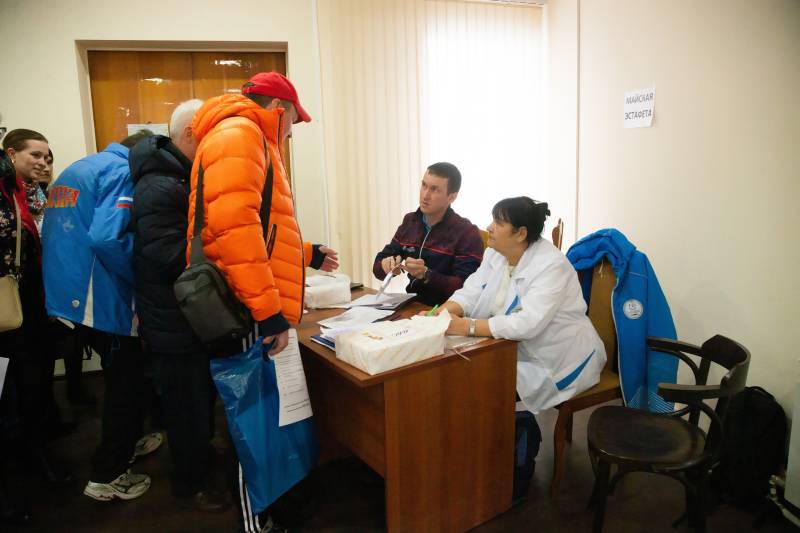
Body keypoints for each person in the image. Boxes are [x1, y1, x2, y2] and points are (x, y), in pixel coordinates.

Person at [188, 71, 338, 532]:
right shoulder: (242, 135)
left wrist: (307, 253)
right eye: (294, 121)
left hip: (247, 300)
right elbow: (234, 232)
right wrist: (269, 313)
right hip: (243, 307)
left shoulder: (242, 136)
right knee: (249, 422)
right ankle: (257, 519)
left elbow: (260, 229)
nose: (292, 131)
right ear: (279, 109)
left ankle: (278, 504)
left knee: (265, 417)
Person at [41, 130, 162, 502]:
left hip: (65, 290)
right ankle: (107, 474)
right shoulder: (122, 171)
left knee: (122, 377)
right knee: (125, 383)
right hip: (97, 294)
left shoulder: (81, 168)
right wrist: (143, 276)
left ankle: (129, 440)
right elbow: (108, 238)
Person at [429, 196, 606, 439]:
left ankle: (506, 445)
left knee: (478, 383)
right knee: (454, 372)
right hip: (508, 346)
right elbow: (472, 290)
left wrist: (466, 326)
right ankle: (474, 446)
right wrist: (443, 312)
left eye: (498, 223)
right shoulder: (496, 254)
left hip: (556, 358)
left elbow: (527, 324)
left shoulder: (551, 266)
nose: (489, 227)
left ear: (521, 233)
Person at [130, 99, 227, 512]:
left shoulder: (179, 177)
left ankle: (200, 460)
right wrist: (225, 255)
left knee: (197, 402)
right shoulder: (160, 185)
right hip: (174, 320)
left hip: (186, 316)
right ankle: (190, 485)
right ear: (191, 133)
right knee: (185, 408)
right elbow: (167, 255)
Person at [1, 130, 73, 487]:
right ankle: (27, 462)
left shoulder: (31, 192)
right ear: (11, 154)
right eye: (36, 155)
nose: (44, 162)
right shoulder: (7, 195)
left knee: (35, 381)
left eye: (47, 156)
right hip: (13, 305)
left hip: (33, 301)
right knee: (20, 386)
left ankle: (36, 448)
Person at [373, 162, 484, 305]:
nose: (425, 195)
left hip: (447, 310)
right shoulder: (410, 221)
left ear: (452, 197)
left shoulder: (466, 232)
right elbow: (378, 269)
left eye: (434, 189)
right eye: (424, 185)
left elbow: (467, 288)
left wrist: (427, 274)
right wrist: (384, 266)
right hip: (413, 304)